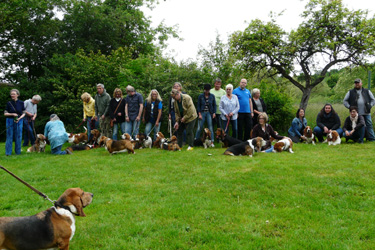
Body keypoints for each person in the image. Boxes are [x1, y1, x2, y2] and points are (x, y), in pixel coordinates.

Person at [4, 89, 25, 156]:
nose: (12, 95)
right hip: (10, 120)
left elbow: (24, 113)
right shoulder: (9, 103)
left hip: (19, 120)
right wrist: (12, 114)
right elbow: (5, 113)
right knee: (9, 136)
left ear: (17, 95)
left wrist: (19, 118)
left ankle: (18, 152)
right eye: (11, 94)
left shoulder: (21, 103)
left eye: (14, 94)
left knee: (18, 136)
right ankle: (8, 153)